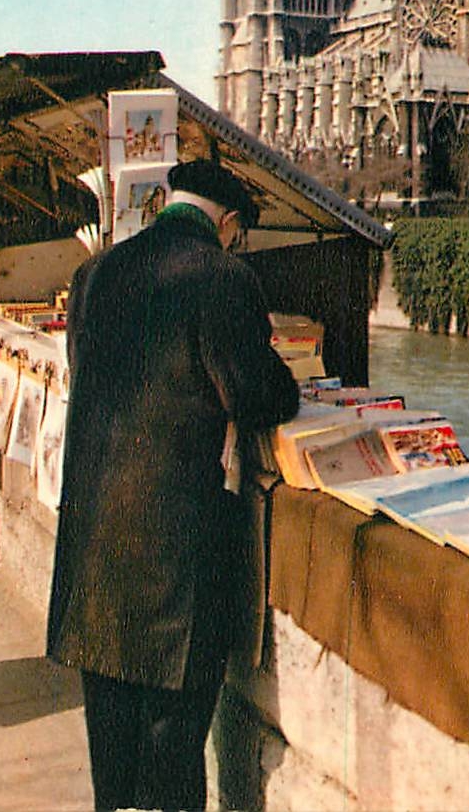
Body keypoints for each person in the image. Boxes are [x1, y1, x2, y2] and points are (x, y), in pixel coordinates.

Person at [47, 159, 299, 812]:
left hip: (96, 540)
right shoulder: (222, 276)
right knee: (172, 745)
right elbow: (255, 395)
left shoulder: (96, 271)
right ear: (231, 222)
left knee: (112, 740)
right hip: (174, 546)